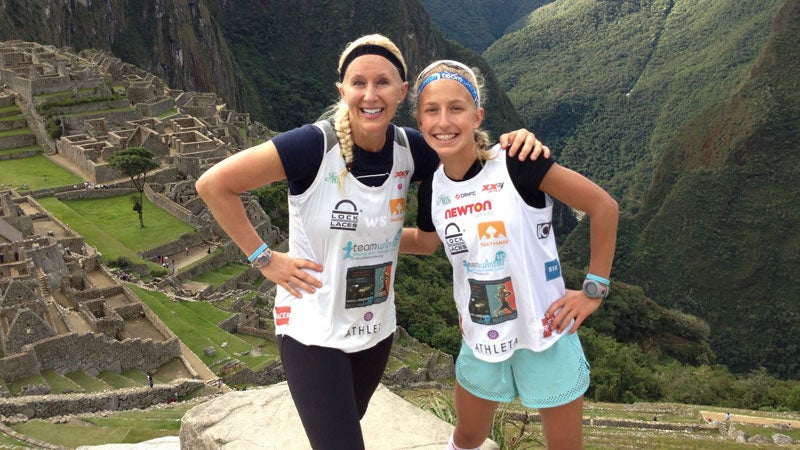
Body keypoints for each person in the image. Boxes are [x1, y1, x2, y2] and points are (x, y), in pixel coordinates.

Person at [195, 34, 548, 450]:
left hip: (376, 332)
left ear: (401, 92)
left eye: (382, 83)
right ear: (341, 89)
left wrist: (516, 143)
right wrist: (264, 257)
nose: (370, 94)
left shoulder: (411, 149)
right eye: (358, 83)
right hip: (312, 329)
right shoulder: (313, 146)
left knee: (342, 431)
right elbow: (215, 184)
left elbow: (472, 164)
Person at [400, 60, 619, 450]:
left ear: (477, 115)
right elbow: (427, 242)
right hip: (481, 333)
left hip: (546, 330)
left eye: (456, 108)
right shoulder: (432, 188)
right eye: (432, 110)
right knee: (468, 436)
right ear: (419, 121)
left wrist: (593, 289)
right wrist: (364, 237)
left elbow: (603, 207)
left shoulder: (518, 162)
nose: (444, 121)